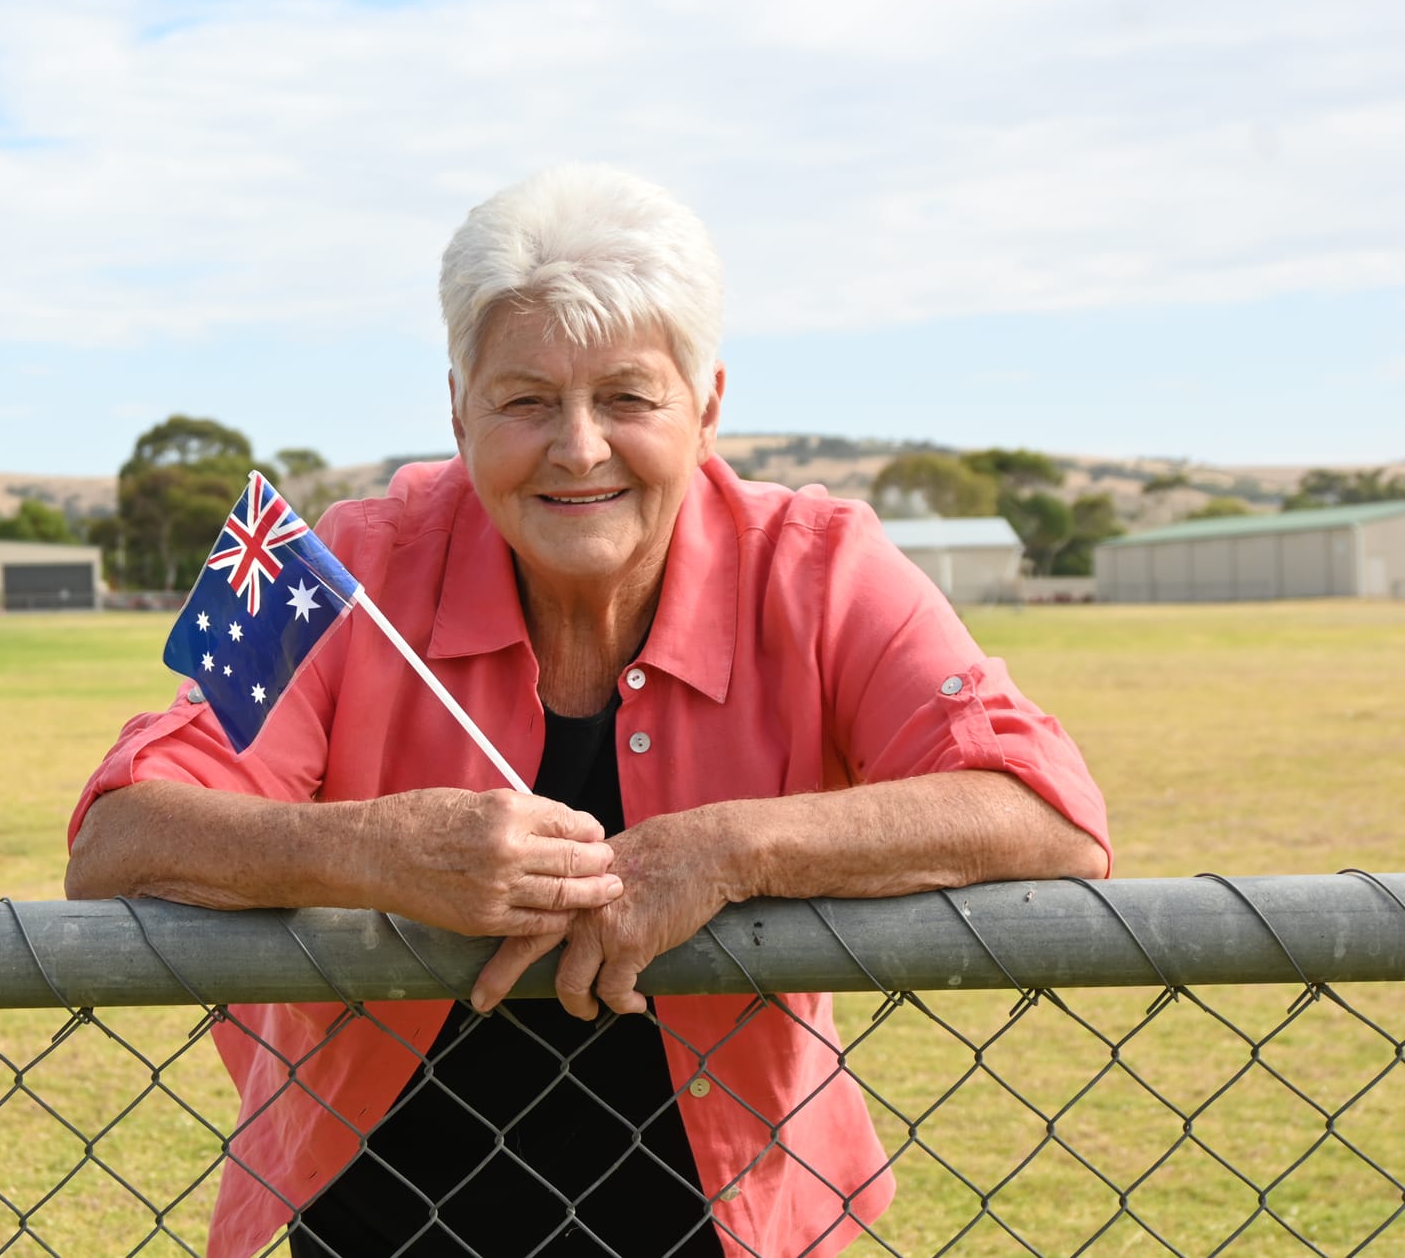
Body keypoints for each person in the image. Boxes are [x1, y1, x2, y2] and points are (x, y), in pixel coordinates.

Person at [64, 164, 1111, 1258]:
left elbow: (1048, 810)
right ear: (457, 409)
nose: (576, 448)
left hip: (727, 1225)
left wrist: (729, 849)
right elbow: (118, 832)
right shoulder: (332, 556)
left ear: (705, 404)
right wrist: (377, 851)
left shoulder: (824, 561)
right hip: (370, 1222)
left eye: (625, 396)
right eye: (524, 399)